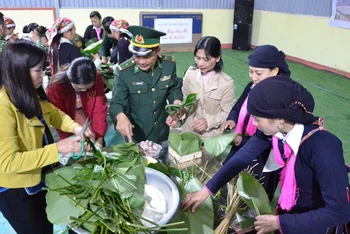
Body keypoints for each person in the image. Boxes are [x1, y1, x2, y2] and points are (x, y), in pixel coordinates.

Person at [181, 76, 350, 234]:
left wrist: (279, 223)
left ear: (280, 119)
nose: (253, 124)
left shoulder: (323, 146)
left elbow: (339, 212)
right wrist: (207, 190)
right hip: (290, 215)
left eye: (256, 118)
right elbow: (241, 158)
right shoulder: (276, 132)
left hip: (316, 225)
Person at [0, 40, 93, 234]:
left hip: (38, 178)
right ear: (20, 70)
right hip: (16, 190)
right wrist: (58, 148)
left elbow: (55, 114)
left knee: (46, 225)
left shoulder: (29, 93)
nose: (43, 75)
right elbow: (8, 162)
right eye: (38, 70)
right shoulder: (4, 106)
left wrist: (76, 128)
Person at [220, 45, 291, 199]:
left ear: (275, 71)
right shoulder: (253, 87)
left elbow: (269, 140)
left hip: (264, 156)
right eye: (251, 71)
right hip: (242, 142)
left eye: (258, 73)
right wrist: (232, 120)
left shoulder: (279, 98)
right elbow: (238, 107)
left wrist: (241, 140)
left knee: (255, 193)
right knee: (229, 178)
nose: (253, 77)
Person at [109, 26, 183, 145]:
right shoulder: (124, 72)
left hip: (161, 131)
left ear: (158, 50)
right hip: (136, 133)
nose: (142, 61)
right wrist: (120, 116)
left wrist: (177, 101)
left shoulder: (168, 65)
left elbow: (173, 88)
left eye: (147, 56)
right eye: (137, 56)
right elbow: (117, 102)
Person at [166, 36, 235, 137]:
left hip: (210, 137)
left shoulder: (226, 83)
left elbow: (227, 113)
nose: (200, 63)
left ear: (217, 58)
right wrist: (177, 115)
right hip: (188, 132)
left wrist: (208, 121)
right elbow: (185, 103)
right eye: (198, 58)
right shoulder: (190, 74)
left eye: (206, 59)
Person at [47, 57, 108, 147]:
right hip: (67, 118)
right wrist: (69, 140)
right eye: (79, 88)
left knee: (93, 141)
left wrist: (99, 136)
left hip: (87, 115)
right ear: (69, 77)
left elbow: (99, 107)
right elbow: (59, 117)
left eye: (88, 88)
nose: (84, 90)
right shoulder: (55, 87)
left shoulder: (97, 77)